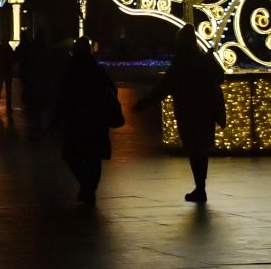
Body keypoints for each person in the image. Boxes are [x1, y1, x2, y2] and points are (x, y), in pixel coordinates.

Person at [136, 24, 226, 202]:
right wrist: (210, 59)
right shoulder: (201, 59)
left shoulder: (181, 63)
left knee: (194, 150)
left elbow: (163, 87)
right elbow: (219, 77)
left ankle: (200, 188)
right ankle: (201, 187)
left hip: (188, 112)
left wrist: (143, 103)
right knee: (201, 150)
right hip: (206, 111)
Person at [54, 37, 124, 204]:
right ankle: (89, 188)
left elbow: (63, 95)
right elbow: (111, 90)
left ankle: (86, 187)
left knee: (74, 155)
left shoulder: (71, 71)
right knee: (94, 157)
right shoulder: (97, 71)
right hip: (96, 120)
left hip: (76, 121)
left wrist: (56, 117)